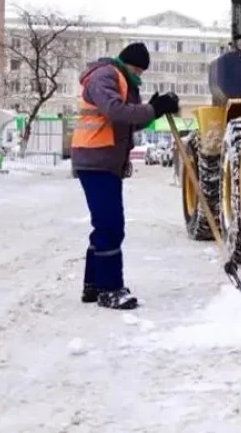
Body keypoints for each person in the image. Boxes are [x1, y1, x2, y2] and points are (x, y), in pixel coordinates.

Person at [71, 42, 179, 310]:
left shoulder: (124, 81)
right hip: (95, 157)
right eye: (138, 71)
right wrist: (153, 109)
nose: (139, 76)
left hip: (105, 159)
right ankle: (110, 289)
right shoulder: (105, 75)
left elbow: (130, 120)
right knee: (110, 225)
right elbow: (115, 111)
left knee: (104, 224)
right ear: (128, 64)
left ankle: (94, 284)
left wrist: (157, 107)